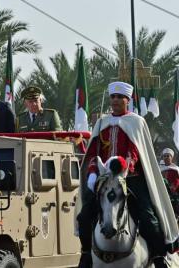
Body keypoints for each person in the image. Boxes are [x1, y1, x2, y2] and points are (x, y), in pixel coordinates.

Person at [76, 81, 178, 268]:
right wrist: (92, 173)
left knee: (149, 217)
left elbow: (134, 152)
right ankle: (85, 254)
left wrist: (125, 167)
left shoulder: (136, 122)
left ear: (127, 100)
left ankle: (158, 256)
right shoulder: (101, 123)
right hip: (104, 179)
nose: (115, 100)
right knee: (84, 216)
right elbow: (93, 153)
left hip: (132, 179)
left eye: (119, 97)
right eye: (113, 97)